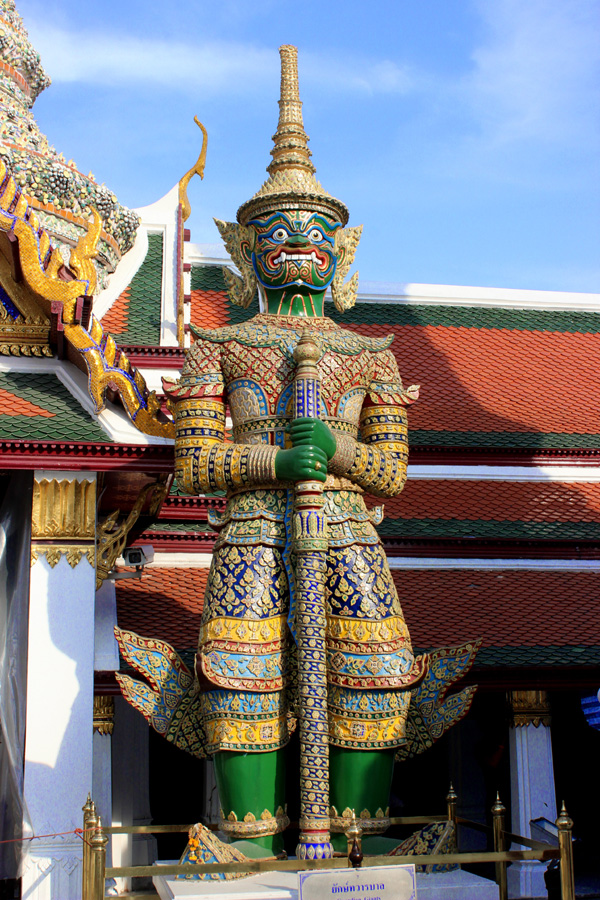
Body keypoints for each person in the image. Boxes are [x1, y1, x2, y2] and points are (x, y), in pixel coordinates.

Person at [162, 45, 425, 855]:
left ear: (341, 250)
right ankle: (251, 835)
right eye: (279, 234)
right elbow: (192, 465)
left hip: (345, 528)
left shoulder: (371, 355)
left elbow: (393, 473)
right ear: (248, 252)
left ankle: (357, 832)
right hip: (252, 528)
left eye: (317, 233)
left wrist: (337, 452)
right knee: (241, 674)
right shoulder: (220, 348)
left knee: (375, 671)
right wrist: (274, 462)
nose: (301, 246)